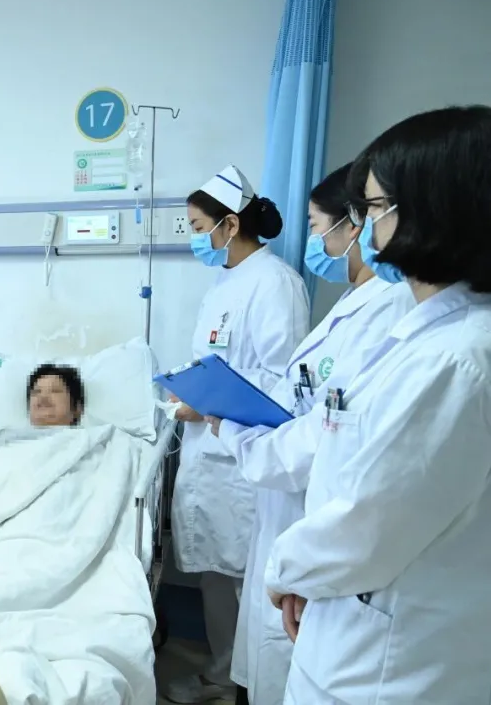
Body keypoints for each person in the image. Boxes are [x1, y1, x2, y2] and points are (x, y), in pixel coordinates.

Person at [264, 105, 491, 704]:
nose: (363, 226)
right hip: (356, 628)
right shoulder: (431, 337)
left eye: (373, 207)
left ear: (433, 208)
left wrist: (287, 569)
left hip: (384, 667)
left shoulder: (455, 361)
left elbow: (368, 524)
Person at [204, 162, 414, 704]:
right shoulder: (354, 301)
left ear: (356, 223)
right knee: (267, 654)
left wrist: (231, 426)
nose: (315, 241)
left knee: (285, 657)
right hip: (282, 492)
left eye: (318, 226)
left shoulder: (389, 309)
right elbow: (301, 394)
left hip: (305, 504)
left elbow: (321, 431)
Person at [164, 164, 310, 704]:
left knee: (246, 579)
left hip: (244, 461)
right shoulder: (226, 282)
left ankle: (241, 682)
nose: (195, 238)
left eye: (199, 227)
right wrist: (191, 390)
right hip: (212, 452)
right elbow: (220, 362)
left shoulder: (276, 283)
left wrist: (207, 403)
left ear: (230, 224)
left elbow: (283, 382)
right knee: (215, 575)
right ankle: (223, 673)